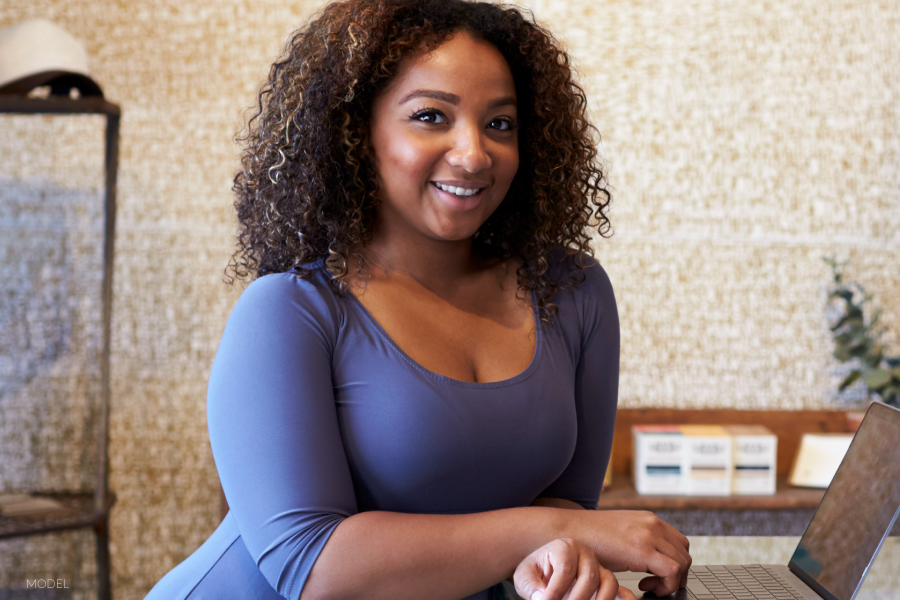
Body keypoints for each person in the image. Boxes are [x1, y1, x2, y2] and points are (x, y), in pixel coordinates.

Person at [145, 0, 692, 599]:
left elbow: (566, 510)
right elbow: (314, 567)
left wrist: (566, 565)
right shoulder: (291, 310)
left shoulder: (573, 291)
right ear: (356, 131)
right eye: (431, 116)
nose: (474, 153)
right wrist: (561, 529)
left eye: (500, 123)